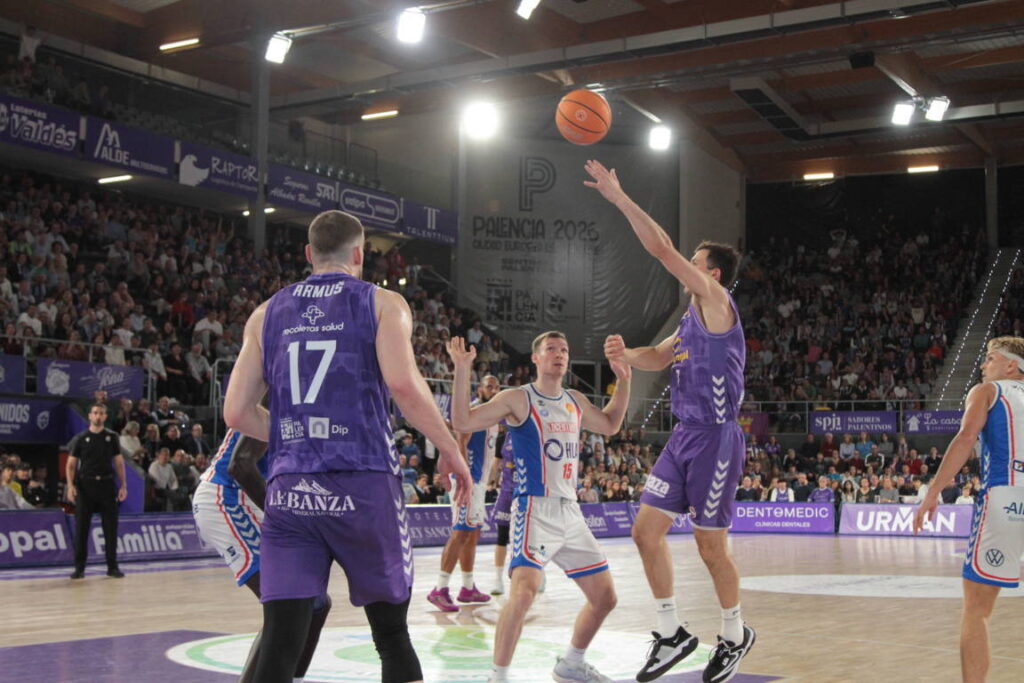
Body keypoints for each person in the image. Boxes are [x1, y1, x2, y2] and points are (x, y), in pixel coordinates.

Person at [223, 209, 472, 683]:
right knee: (391, 637)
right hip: (364, 486)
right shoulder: (383, 303)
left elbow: (235, 412)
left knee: (280, 640)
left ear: (308, 253)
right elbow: (404, 385)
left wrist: (297, 431)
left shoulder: (265, 313)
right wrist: (450, 449)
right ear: (359, 254)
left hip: (291, 490)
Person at [585, 158, 754, 683]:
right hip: (683, 436)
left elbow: (660, 248)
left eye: (695, 261)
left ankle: (734, 633)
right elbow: (659, 355)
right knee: (645, 532)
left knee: (709, 546)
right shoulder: (689, 320)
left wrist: (619, 198)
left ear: (712, 273)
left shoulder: (717, 301)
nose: (687, 265)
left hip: (716, 437)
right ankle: (670, 632)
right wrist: (626, 356)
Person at [447, 331, 631, 683]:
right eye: (551, 349)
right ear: (535, 358)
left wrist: (624, 382)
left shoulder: (575, 400)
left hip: (570, 511)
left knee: (605, 597)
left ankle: (571, 663)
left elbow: (610, 424)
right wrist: (461, 369)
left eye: (564, 349)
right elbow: (463, 422)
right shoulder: (518, 398)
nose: (559, 354)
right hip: (534, 509)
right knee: (523, 593)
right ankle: (498, 677)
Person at [914, 337, 1024, 683]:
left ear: (1011, 365)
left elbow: (965, 439)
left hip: (1006, 499)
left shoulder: (988, 391)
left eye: (990, 358)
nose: (983, 365)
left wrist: (933, 492)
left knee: (977, 611)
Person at [192, 428, 330, 683]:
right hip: (227, 497)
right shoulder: (275, 402)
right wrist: (285, 516)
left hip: (249, 498)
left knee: (315, 603)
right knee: (288, 606)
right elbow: (241, 466)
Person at [427, 374, 501, 611]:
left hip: (479, 481)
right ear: (480, 389)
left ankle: (467, 588)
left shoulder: (493, 415)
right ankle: (439, 589)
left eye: (496, 387)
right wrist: (461, 475)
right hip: (467, 479)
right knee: (460, 532)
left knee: (472, 532)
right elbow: (460, 439)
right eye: (489, 386)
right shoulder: (474, 411)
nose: (494, 390)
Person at [66, 403, 127, 579]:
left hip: (107, 485)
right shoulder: (80, 438)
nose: (98, 416)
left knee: (110, 528)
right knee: (81, 528)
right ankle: (79, 568)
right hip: (86, 486)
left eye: (101, 413)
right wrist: (70, 486)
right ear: (90, 416)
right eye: (95, 413)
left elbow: (119, 463)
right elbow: (70, 465)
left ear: (105, 416)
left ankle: (112, 566)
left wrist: (123, 485)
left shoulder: (112, 437)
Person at [490, 428, 516, 596]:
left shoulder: (533, 433)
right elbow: (496, 463)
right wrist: (490, 481)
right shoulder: (503, 438)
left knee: (531, 536)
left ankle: (539, 572)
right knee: (502, 536)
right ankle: (498, 579)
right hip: (506, 492)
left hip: (527, 492)